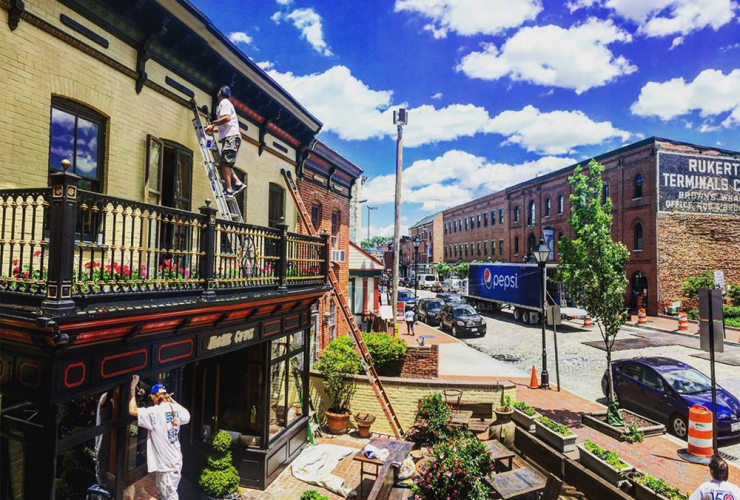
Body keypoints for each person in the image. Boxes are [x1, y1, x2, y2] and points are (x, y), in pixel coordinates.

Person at [129, 375, 191, 500]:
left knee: (168, 496)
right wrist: (171, 401)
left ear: (152, 397)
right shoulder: (175, 409)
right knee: (168, 494)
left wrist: (132, 388)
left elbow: (133, 411)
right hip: (175, 460)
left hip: (167, 465)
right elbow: (187, 415)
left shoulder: (155, 412)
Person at [204, 85, 245, 197]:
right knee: (226, 163)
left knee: (225, 163)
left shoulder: (224, 103)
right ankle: (237, 183)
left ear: (221, 92)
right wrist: (213, 129)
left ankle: (228, 189)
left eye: (218, 91)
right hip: (231, 137)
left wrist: (212, 123)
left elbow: (227, 118)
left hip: (231, 137)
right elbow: (225, 125)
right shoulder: (225, 104)